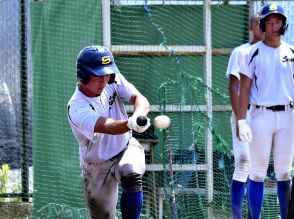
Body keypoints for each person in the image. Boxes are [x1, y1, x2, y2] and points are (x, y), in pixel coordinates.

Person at [67, 45, 151, 219]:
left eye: (107, 74)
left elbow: (139, 99)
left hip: (125, 147)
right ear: (83, 75)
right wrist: (131, 123)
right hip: (97, 166)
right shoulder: (76, 107)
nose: (104, 80)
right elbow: (107, 126)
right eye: (97, 75)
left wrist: (139, 115)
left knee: (132, 171)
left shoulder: (111, 80)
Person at [237, 3, 294, 219]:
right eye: (269, 22)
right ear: (262, 25)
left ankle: (285, 216)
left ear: (283, 25)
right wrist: (242, 120)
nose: (273, 27)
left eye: (277, 22)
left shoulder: (291, 52)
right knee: (258, 173)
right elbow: (244, 89)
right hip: (260, 116)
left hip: (288, 116)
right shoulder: (251, 53)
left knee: (284, 172)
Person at [226, 13, 264, 219]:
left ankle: (253, 216)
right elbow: (233, 85)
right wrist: (240, 118)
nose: (262, 25)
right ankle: (237, 216)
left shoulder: (272, 52)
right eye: (258, 22)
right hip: (245, 112)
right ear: (251, 27)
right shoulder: (241, 52)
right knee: (243, 161)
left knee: (260, 166)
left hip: (265, 113)